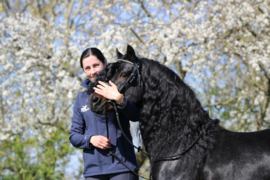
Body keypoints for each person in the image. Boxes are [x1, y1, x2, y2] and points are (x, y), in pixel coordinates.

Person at [69, 47, 139, 180]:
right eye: (87, 68)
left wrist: (120, 99)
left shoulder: (118, 88)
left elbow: (136, 116)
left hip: (123, 168)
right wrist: (91, 139)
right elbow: (74, 136)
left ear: (105, 63)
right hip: (93, 172)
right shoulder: (81, 98)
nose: (93, 71)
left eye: (96, 65)